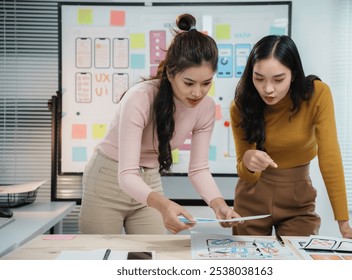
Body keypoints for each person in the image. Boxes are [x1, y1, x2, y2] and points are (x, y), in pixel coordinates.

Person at [79, 13, 240, 235]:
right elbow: (126, 174)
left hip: (149, 179)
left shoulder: (206, 108)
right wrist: (164, 204)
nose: (198, 92)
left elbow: (198, 169)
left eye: (206, 83)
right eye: (189, 82)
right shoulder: (140, 98)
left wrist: (219, 204)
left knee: (151, 258)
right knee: (102, 257)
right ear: (171, 73)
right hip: (108, 177)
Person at [230, 34, 352, 242]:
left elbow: (329, 157)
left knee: (298, 266)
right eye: (259, 78)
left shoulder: (317, 94)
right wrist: (249, 163)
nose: (267, 89)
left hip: (298, 200)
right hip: (251, 199)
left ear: (294, 74)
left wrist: (344, 225)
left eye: (278, 79)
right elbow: (246, 172)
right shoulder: (241, 106)